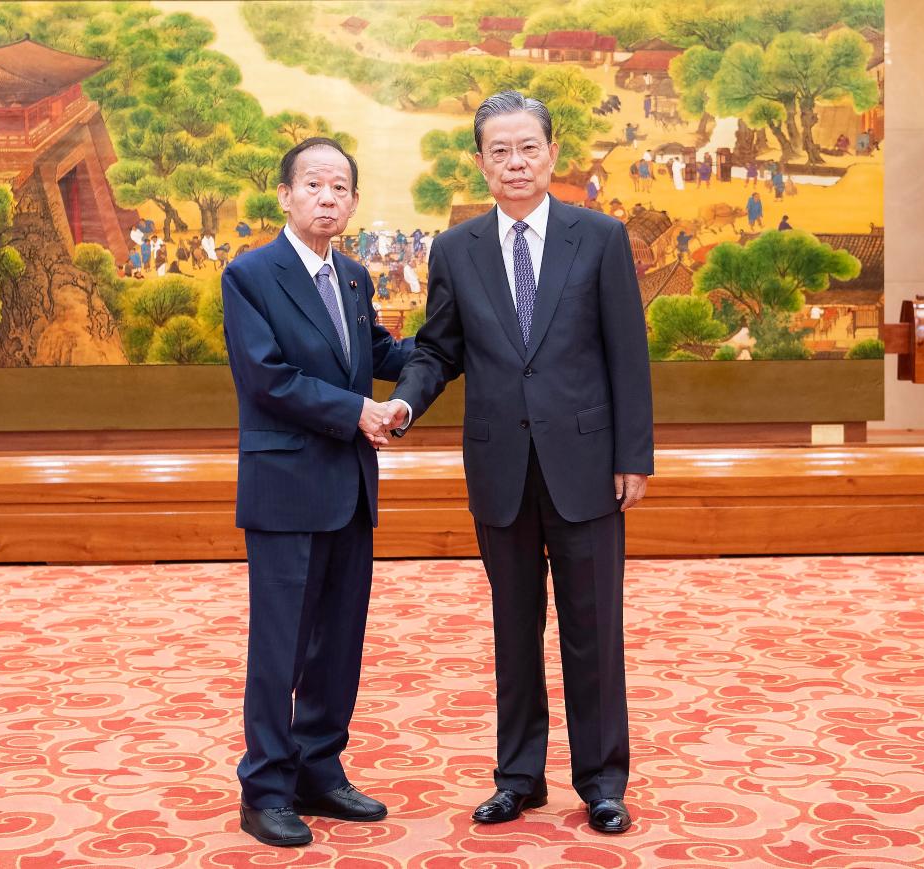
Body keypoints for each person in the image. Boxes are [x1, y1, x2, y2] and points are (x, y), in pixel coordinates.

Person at [388, 91, 653, 835]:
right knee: (513, 627)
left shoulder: (598, 237)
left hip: (588, 463)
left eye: (526, 148)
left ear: (551, 154)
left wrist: (634, 454)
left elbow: (626, 356)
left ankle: (601, 780)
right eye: (498, 151)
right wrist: (407, 403)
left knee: (592, 626)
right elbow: (439, 348)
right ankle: (518, 777)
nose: (514, 163)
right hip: (500, 464)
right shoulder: (455, 249)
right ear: (479, 162)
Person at [221, 136, 414, 848]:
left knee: (338, 642)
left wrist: (448, 350)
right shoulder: (251, 275)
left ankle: (318, 770)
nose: (327, 198)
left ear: (355, 202)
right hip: (285, 487)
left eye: (340, 188)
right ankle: (266, 787)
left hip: (349, 488)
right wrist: (355, 411)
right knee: (281, 646)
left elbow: (379, 352)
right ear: (285, 195)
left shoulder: (355, 276)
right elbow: (265, 377)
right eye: (313, 186)